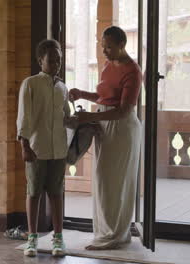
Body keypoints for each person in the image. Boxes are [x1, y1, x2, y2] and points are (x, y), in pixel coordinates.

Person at [69, 26, 142, 250]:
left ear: (122, 45)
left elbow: (123, 110)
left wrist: (89, 115)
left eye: (109, 47)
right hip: (104, 125)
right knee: (102, 182)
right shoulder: (109, 66)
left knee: (116, 183)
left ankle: (115, 236)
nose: (105, 51)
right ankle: (103, 233)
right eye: (103, 46)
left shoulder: (133, 71)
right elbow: (103, 97)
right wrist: (82, 93)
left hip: (121, 129)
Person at [16, 39, 71, 257]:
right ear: (41, 60)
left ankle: (58, 239)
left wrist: (85, 122)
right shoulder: (30, 84)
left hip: (59, 149)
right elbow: (24, 116)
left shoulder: (62, 87)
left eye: (59, 59)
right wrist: (25, 145)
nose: (56, 63)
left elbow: (66, 117)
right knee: (34, 192)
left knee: (57, 194)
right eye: (51, 59)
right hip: (36, 149)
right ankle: (32, 239)